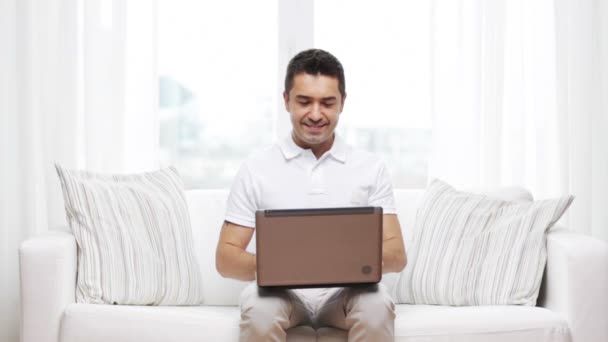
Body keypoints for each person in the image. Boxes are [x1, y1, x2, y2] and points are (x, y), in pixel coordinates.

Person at [215, 48, 407, 342]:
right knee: (259, 308)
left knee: (376, 304)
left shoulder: (371, 168)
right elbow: (226, 258)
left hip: (345, 295)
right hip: (282, 294)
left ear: (343, 102)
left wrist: (339, 261)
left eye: (327, 103)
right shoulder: (256, 169)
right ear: (286, 101)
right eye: (304, 101)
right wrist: (280, 265)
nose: (315, 114)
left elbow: (396, 255)